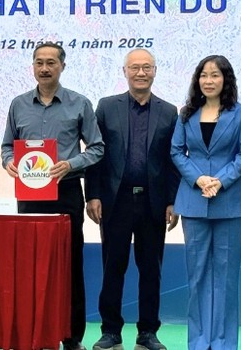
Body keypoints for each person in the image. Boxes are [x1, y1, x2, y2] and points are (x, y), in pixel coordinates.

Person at [1, 42, 104, 350]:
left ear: (62, 66)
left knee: (68, 265)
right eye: (39, 62)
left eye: (51, 62)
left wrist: (70, 164)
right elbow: (7, 147)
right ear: (33, 66)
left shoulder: (79, 103)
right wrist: (9, 162)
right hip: (29, 195)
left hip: (66, 192)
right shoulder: (18, 104)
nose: (44, 68)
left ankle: (71, 337)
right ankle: (34, 333)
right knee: (29, 266)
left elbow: (97, 148)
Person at [85, 49, 180, 350]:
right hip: (115, 201)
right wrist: (93, 194)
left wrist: (173, 201)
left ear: (155, 71)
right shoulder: (106, 107)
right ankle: (111, 331)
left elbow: (173, 160)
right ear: (124, 71)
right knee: (113, 267)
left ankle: (148, 332)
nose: (141, 73)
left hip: (154, 202)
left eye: (147, 67)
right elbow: (96, 154)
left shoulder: (169, 112)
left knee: (151, 270)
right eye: (135, 67)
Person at [170, 55, 241, 350]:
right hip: (193, 201)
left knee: (226, 277)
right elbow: (177, 151)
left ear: (225, 79)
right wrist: (199, 179)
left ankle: (223, 342)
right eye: (203, 75)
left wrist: (220, 180)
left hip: (229, 202)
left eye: (215, 75)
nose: (208, 80)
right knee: (197, 275)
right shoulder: (186, 114)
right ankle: (198, 341)